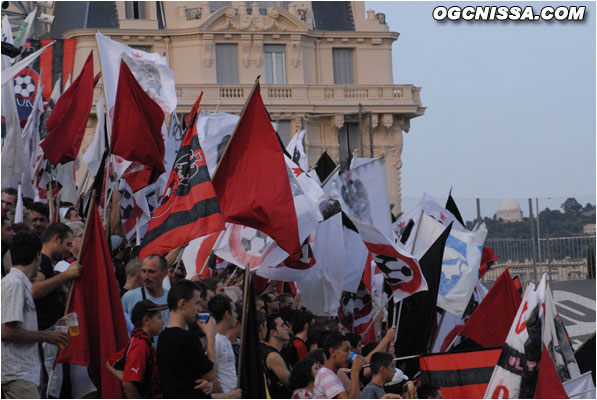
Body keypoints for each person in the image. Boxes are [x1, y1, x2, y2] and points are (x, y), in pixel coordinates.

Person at [1, 232, 69, 399]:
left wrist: (53, 328)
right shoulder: (14, 284)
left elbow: (19, 329)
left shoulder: (20, 284)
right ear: (37, 256)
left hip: (24, 375)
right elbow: (6, 332)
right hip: (17, 375)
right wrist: (46, 336)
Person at [157, 280, 231, 398]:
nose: (198, 309)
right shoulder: (187, 338)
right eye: (196, 303)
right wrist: (210, 336)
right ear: (182, 304)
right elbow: (211, 375)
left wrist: (207, 384)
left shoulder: (163, 336)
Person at [107, 300, 166, 398]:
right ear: (146, 320)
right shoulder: (140, 345)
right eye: (159, 318)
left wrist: (126, 376)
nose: (163, 322)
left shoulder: (140, 341)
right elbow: (127, 383)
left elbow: (110, 363)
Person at [121, 254, 170, 341]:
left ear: (164, 274)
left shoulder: (171, 297)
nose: (146, 277)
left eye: (151, 272)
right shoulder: (129, 297)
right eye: (143, 271)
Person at [313, 333, 364, 399]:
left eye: (350, 351)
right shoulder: (325, 374)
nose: (350, 355)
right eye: (346, 350)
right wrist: (355, 372)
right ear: (332, 352)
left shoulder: (331, 374)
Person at [208, 294, 238, 393]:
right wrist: (224, 396)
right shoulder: (216, 341)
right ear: (227, 314)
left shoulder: (224, 340)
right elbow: (212, 376)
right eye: (234, 311)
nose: (237, 315)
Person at [263, 314, 292, 398]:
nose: (287, 328)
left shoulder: (278, 353)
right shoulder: (273, 356)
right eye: (282, 326)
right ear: (273, 332)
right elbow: (291, 382)